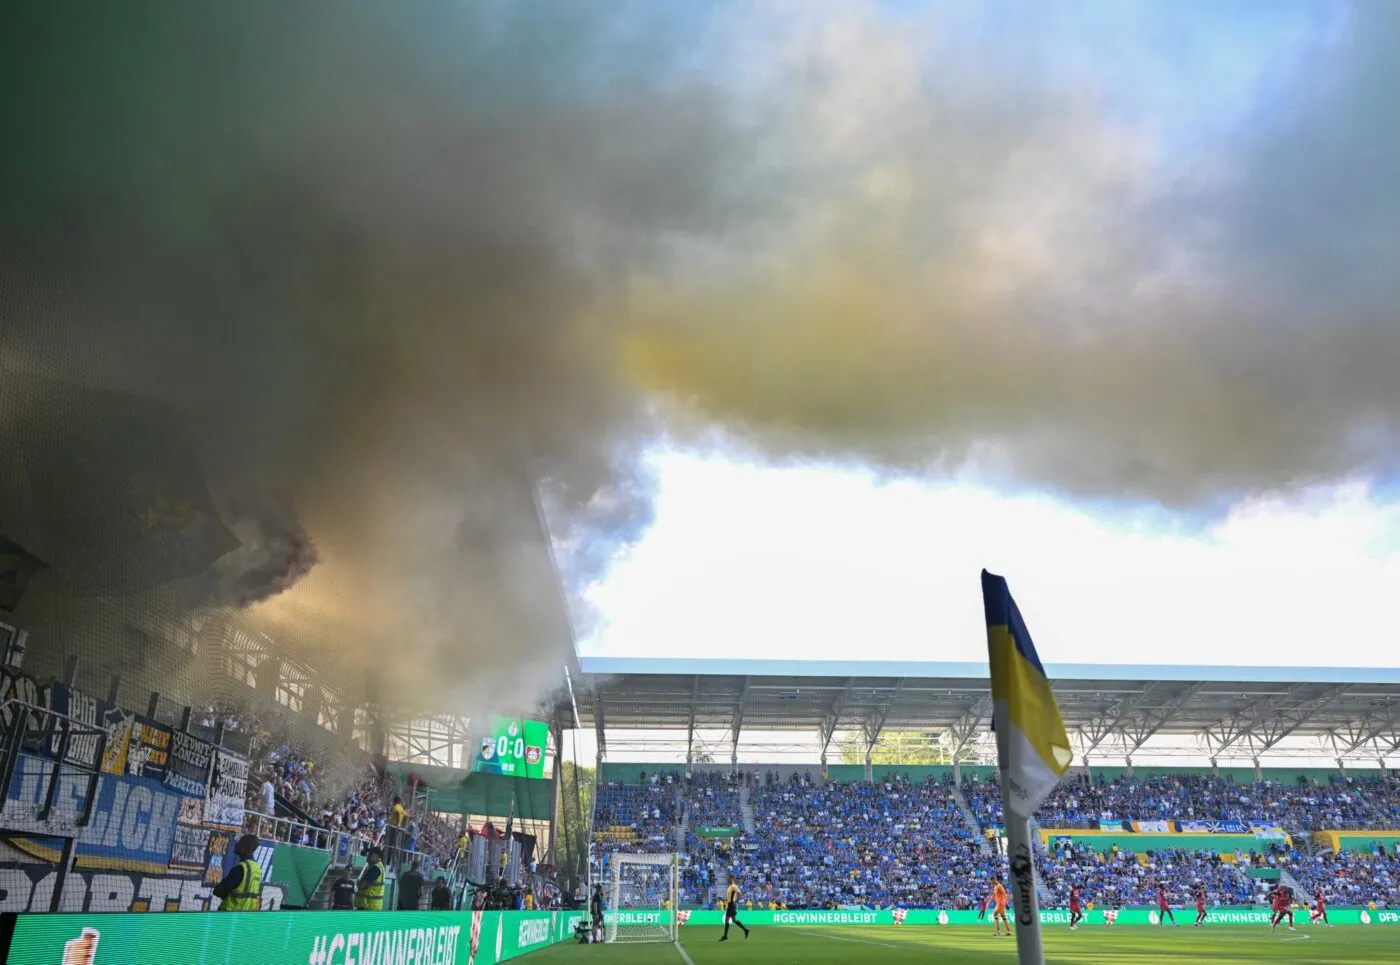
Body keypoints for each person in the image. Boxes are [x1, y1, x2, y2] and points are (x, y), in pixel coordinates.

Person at [213, 834, 263, 911]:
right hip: (246, 916)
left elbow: (218, 891)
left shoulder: (241, 868)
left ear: (244, 848)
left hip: (230, 915)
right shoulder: (257, 867)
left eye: (240, 842)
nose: (236, 844)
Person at [356, 846, 387, 911]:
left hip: (369, 907)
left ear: (378, 856)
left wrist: (358, 882)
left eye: (371, 854)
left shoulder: (376, 868)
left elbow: (362, 885)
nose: (368, 856)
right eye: (368, 854)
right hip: (372, 907)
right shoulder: (379, 867)